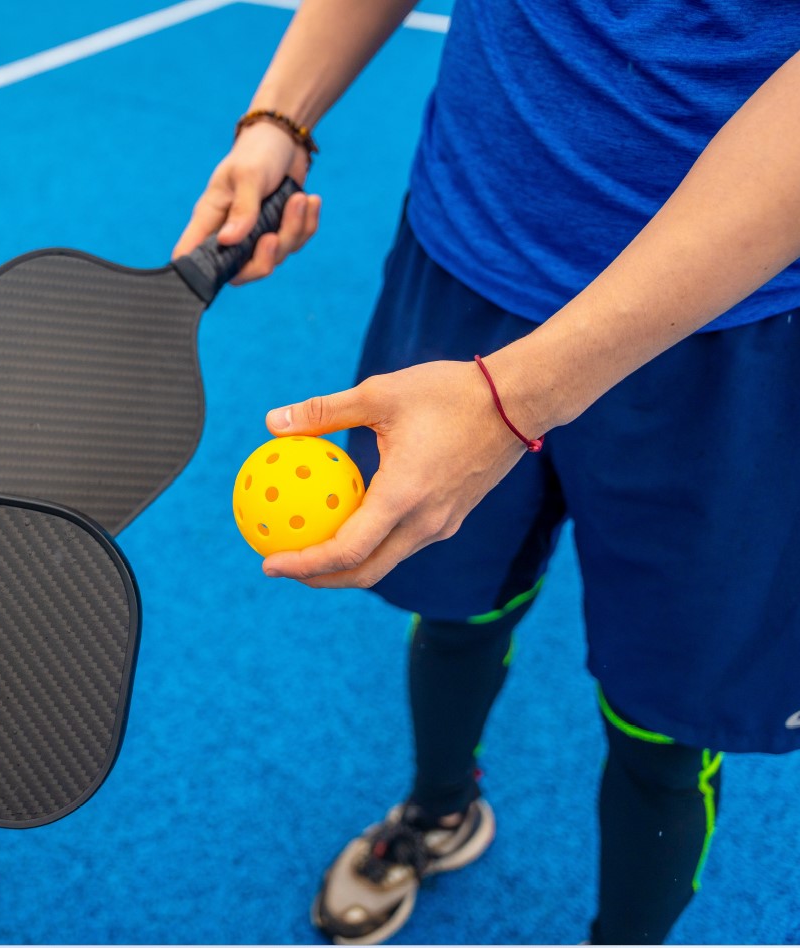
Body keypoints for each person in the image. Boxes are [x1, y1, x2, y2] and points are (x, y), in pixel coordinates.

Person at [175, 1, 800, 943]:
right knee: (454, 606)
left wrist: (516, 397)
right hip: (466, 258)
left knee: (665, 722)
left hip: (723, 329)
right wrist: (280, 118)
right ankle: (437, 813)